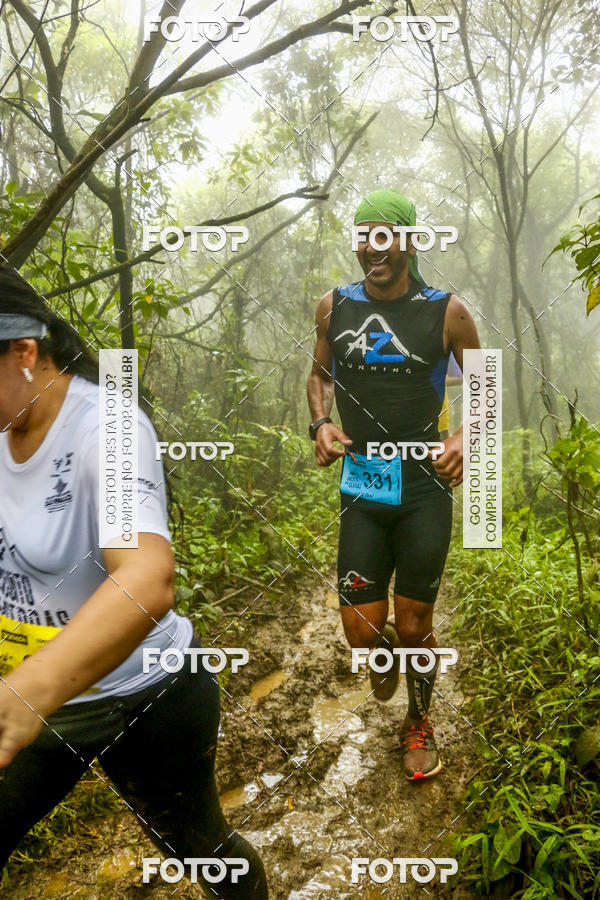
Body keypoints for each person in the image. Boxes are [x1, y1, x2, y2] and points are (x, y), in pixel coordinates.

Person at [0, 264, 268, 897]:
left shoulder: (108, 428)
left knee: (202, 848)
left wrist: (22, 698)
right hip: (36, 699)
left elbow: (146, 579)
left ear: (23, 353)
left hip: (145, 692)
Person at [307, 189, 481, 780]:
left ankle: (419, 720)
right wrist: (321, 423)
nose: (371, 247)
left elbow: (487, 390)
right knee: (362, 631)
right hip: (363, 486)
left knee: (414, 624)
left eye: (384, 235)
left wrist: (463, 439)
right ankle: (382, 654)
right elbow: (317, 377)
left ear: (409, 241)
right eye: (363, 235)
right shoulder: (333, 307)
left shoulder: (448, 311)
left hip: (424, 491)